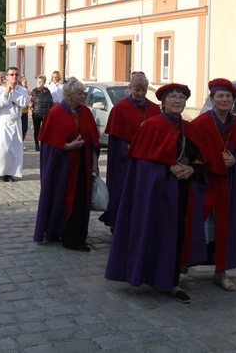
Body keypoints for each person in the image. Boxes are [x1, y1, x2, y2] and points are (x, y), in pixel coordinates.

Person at [104, 83, 207, 304]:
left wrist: (191, 169)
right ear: (163, 102)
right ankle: (151, 275)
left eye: (181, 97)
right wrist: (167, 167)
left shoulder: (189, 129)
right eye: (173, 97)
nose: (177, 101)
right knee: (156, 233)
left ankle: (172, 280)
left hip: (183, 192)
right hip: (156, 193)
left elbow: (200, 159)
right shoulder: (151, 125)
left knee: (177, 234)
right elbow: (140, 162)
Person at [191, 78, 236, 292]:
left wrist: (235, 161)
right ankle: (182, 264)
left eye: (228, 96)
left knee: (225, 229)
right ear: (212, 99)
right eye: (220, 96)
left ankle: (221, 272)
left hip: (229, 185)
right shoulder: (201, 123)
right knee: (195, 225)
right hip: (205, 184)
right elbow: (190, 155)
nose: (225, 99)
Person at [34, 77, 100, 252]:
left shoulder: (85, 112)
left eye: (83, 93)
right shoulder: (55, 113)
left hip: (83, 166)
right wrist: (70, 146)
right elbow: (49, 144)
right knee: (62, 200)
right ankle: (62, 233)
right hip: (63, 168)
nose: (83, 96)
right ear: (69, 95)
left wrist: (94, 162)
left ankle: (76, 235)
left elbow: (93, 140)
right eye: (79, 93)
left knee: (80, 201)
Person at [99, 71, 161, 229]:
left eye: (143, 90)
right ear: (130, 88)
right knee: (124, 192)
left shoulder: (154, 109)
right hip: (125, 162)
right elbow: (115, 140)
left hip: (147, 160)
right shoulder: (120, 108)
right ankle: (119, 224)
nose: (140, 93)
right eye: (136, 90)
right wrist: (128, 149)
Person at [0, 67, 29, 182]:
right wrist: (6, 92)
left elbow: (24, 102)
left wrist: (13, 93)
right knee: (4, 149)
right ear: (7, 76)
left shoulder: (21, 90)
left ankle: (11, 172)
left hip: (16, 123)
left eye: (16, 74)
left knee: (14, 150)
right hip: (4, 122)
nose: (14, 77)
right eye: (11, 74)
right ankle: (1, 172)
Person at [30, 75, 53, 151]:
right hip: (36, 113)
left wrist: (50, 111)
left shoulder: (47, 92)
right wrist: (32, 109)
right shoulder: (34, 91)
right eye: (38, 82)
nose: (39, 83)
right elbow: (30, 101)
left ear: (44, 83)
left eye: (41, 82)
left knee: (46, 130)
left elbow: (51, 102)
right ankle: (37, 144)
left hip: (45, 114)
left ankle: (45, 144)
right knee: (37, 130)